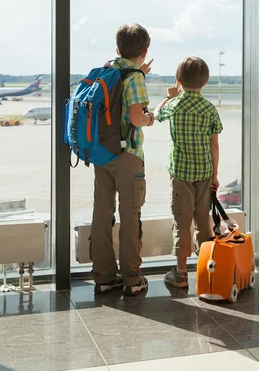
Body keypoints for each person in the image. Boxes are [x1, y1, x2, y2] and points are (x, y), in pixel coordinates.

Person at [91, 23, 154, 296]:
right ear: (144, 50)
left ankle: (104, 278)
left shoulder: (106, 70)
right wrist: (150, 119)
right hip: (127, 155)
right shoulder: (135, 78)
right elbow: (137, 117)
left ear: (117, 49)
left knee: (102, 215)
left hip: (101, 154)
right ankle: (132, 279)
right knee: (130, 217)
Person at [154, 56, 223, 288]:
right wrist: (214, 175)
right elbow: (215, 145)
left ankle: (181, 273)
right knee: (203, 221)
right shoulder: (209, 108)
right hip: (204, 173)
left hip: (181, 173)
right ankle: (207, 271)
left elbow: (155, 115)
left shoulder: (175, 105)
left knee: (182, 222)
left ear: (178, 81)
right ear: (205, 82)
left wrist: (167, 97)